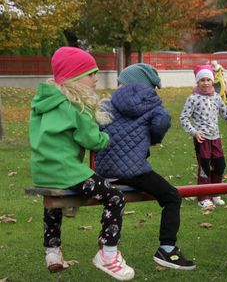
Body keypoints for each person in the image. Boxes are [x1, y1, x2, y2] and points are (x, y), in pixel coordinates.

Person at [29, 47, 134, 280]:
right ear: (76, 77)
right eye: (91, 73)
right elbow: (91, 140)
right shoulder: (77, 105)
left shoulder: (44, 102)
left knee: (54, 204)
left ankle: (52, 251)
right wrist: (105, 137)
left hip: (42, 171)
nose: (96, 79)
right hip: (67, 170)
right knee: (115, 197)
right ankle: (108, 253)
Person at [94, 63, 195, 271]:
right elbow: (162, 123)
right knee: (172, 196)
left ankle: (106, 240)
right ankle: (167, 248)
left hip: (104, 170)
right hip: (134, 172)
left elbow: (95, 130)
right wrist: (153, 138)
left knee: (112, 196)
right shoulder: (152, 106)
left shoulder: (105, 103)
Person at [180, 65, 227, 208]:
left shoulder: (216, 97)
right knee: (205, 167)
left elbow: (226, 114)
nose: (206, 83)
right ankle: (203, 196)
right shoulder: (193, 98)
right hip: (202, 139)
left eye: (208, 80)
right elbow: (183, 118)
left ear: (212, 81)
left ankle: (215, 192)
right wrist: (194, 132)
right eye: (202, 80)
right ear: (197, 82)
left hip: (216, 138)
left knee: (220, 165)